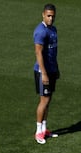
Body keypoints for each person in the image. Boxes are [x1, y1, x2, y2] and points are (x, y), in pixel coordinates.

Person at [33, 3, 60, 144]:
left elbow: (52, 53)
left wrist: (56, 68)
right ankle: (38, 131)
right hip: (43, 71)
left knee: (48, 100)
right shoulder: (40, 31)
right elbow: (38, 53)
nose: (51, 19)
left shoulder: (53, 30)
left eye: (53, 16)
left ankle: (44, 129)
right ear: (43, 14)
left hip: (52, 70)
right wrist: (44, 73)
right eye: (48, 16)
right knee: (44, 100)